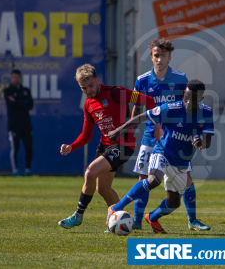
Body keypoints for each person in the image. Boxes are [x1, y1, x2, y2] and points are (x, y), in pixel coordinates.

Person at [58, 64, 158, 230]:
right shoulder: (89, 104)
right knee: (102, 189)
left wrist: (157, 128)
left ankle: (78, 215)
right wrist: (71, 147)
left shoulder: (115, 92)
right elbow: (87, 135)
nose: (89, 91)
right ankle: (122, 221)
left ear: (98, 80)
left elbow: (148, 100)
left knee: (90, 172)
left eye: (91, 85)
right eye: (84, 88)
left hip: (123, 145)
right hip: (105, 146)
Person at [107, 80, 214, 234]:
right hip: (162, 152)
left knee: (174, 202)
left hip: (181, 161)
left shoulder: (207, 113)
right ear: (184, 94)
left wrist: (201, 141)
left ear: (201, 99)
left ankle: (153, 217)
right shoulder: (171, 108)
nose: (189, 102)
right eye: (187, 97)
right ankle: (116, 208)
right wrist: (118, 130)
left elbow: (208, 142)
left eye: (194, 99)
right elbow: (142, 117)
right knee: (153, 180)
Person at [131, 38, 210, 231]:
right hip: (150, 135)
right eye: (156, 56)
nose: (159, 59)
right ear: (151, 57)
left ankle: (192, 220)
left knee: (187, 177)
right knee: (144, 178)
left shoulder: (181, 79)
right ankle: (137, 222)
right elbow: (136, 107)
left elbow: (190, 106)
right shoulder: (141, 80)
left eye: (163, 55)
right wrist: (130, 132)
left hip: (172, 138)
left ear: (169, 57)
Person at [3, 69, 34, 177]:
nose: (15, 79)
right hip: (14, 125)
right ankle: (15, 170)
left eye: (17, 77)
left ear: (20, 78)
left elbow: (30, 105)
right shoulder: (7, 91)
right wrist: (22, 102)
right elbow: (11, 105)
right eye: (13, 77)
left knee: (29, 147)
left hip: (26, 124)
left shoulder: (26, 90)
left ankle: (27, 170)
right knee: (15, 148)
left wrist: (16, 101)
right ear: (11, 78)